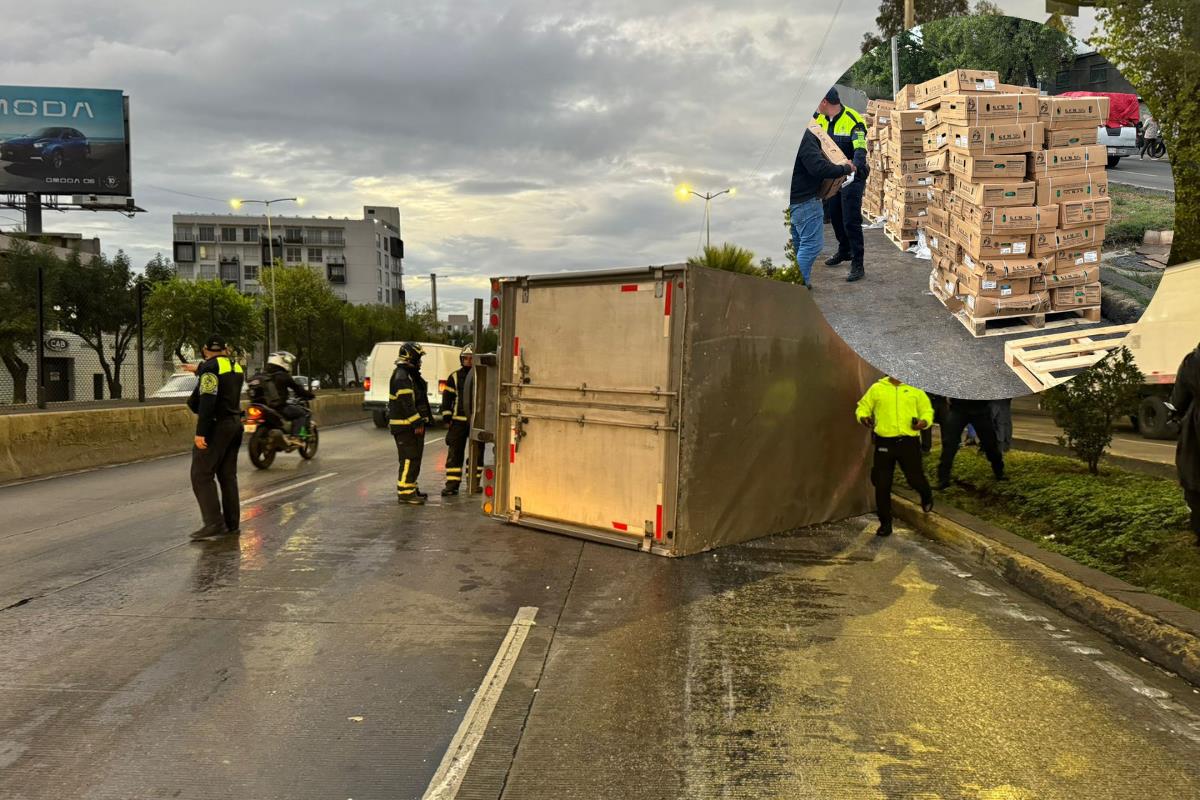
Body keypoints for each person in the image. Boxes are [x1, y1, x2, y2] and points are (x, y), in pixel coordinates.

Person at [855, 376, 935, 537]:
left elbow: (927, 411)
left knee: (914, 478)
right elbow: (862, 407)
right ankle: (885, 523)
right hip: (885, 443)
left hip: (908, 442)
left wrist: (923, 422)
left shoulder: (915, 389)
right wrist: (863, 417)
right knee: (882, 484)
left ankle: (926, 494)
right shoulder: (877, 388)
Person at [186, 334, 245, 540]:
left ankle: (213, 523)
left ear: (205, 350)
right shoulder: (236, 366)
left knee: (201, 474)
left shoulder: (210, 369)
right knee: (228, 476)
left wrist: (201, 432)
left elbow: (207, 400)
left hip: (217, 426)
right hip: (235, 424)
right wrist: (200, 370)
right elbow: (221, 375)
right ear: (224, 348)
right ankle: (232, 523)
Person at [814, 87, 870, 283]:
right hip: (832, 176)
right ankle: (844, 250)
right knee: (834, 216)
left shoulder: (853, 120)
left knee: (850, 220)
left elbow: (860, 149)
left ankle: (858, 262)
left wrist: (855, 168)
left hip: (852, 177)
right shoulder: (818, 120)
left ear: (824, 102)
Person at [789, 125, 855, 289]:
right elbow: (818, 167)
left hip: (791, 198)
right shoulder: (803, 136)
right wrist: (845, 168)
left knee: (799, 242)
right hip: (804, 199)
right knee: (812, 245)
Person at [389, 342, 433, 505]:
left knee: (414, 458)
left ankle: (411, 487)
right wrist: (417, 423)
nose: (420, 362)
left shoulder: (408, 375)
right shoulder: (402, 376)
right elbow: (407, 404)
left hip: (408, 425)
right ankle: (405, 493)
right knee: (409, 458)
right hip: (405, 426)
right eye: (418, 358)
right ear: (411, 357)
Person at [937, 397, 1006, 490]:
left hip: (980, 409)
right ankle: (943, 478)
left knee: (990, 443)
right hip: (958, 408)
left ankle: (999, 471)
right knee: (949, 443)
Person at [248, 351, 316, 444]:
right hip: (279, 408)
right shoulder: (283, 376)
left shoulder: (259, 376)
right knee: (302, 413)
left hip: (260, 407)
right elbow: (298, 389)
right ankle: (295, 437)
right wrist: (310, 395)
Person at [1170, 341, 1200, 545]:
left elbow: (1178, 400)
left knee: (1195, 476)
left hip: (1197, 429)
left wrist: (1177, 417)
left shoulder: (1192, 362)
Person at [441, 345, 476, 496]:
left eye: (471, 358)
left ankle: (474, 483)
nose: (468, 361)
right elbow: (447, 399)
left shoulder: (481, 376)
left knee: (477, 453)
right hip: (458, 421)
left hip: (476, 421)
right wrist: (447, 417)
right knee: (455, 453)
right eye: (465, 358)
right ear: (461, 359)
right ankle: (452, 485)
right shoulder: (454, 377)